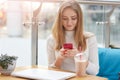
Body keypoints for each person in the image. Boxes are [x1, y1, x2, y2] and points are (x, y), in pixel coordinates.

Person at [47, 0, 99, 76]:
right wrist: (59, 59)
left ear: (79, 19)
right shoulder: (52, 39)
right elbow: (50, 72)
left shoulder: (90, 38)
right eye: (64, 18)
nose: (69, 23)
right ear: (59, 19)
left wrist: (79, 56)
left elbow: (95, 71)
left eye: (73, 18)